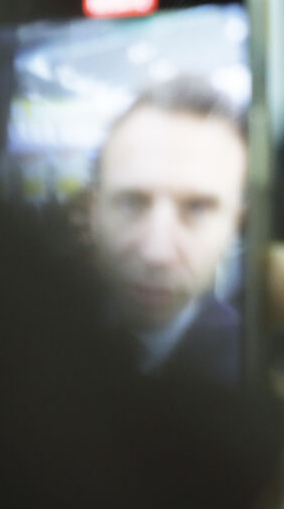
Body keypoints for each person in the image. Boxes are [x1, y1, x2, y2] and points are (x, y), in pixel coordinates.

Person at [87, 74, 248, 382]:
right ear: (94, 212)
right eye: (131, 203)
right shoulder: (31, 342)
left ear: (234, 226)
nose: (156, 254)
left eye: (197, 208)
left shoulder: (247, 364)